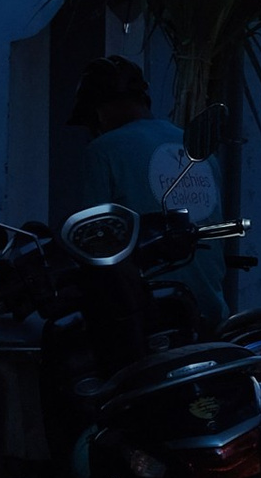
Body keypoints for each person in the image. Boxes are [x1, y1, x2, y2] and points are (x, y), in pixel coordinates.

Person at [67, 60, 226, 327]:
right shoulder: (197, 148)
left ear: (99, 110)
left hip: (146, 316)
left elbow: (88, 239)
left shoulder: (103, 150)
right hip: (210, 310)